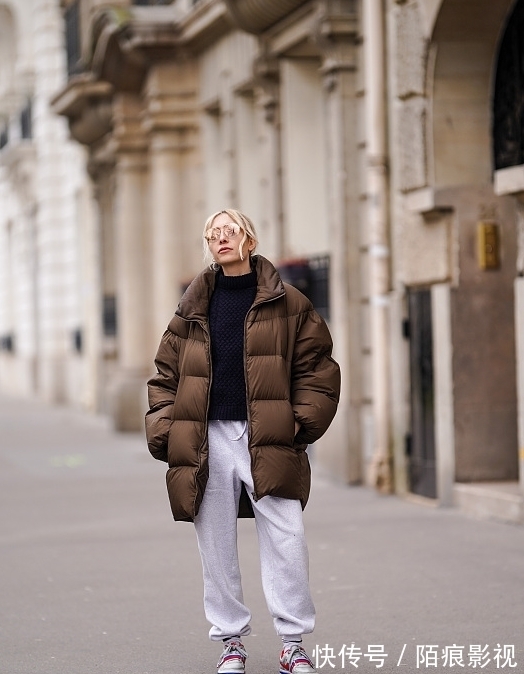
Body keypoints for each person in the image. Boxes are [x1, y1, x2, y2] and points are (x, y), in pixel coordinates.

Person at [145, 209, 340, 674]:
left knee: (287, 535)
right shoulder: (192, 307)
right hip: (205, 438)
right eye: (212, 233)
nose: (220, 238)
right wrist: (167, 432)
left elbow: (318, 369)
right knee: (214, 542)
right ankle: (231, 641)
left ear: (249, 239)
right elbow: (165, 376)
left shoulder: (289, 302)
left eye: (229, 231)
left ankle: (292, 643)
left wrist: (295, 425)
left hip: (267, 434)